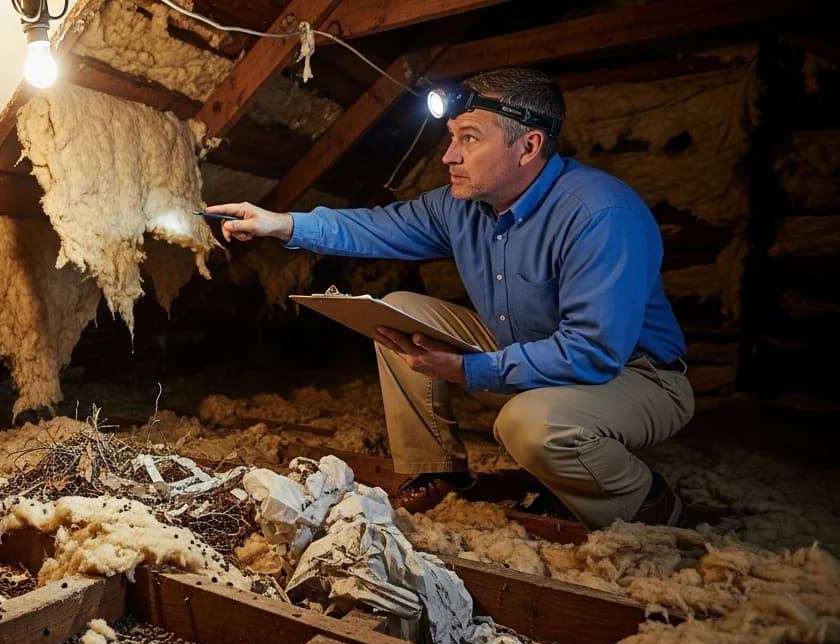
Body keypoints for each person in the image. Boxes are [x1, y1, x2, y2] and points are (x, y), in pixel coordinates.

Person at [207, 67, 694, 529]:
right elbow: (376, 226)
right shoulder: (463, 207)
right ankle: (438, 469)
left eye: (470, 139)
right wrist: (282, 224)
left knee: (527, 425)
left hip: (633, 373)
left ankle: (649, 503)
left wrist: (466, 370)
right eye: (451, 138)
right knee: (398, 312)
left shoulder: (598, 214)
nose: (449, 156)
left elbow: (592, 352)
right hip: (528, 350)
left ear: (528, 146)